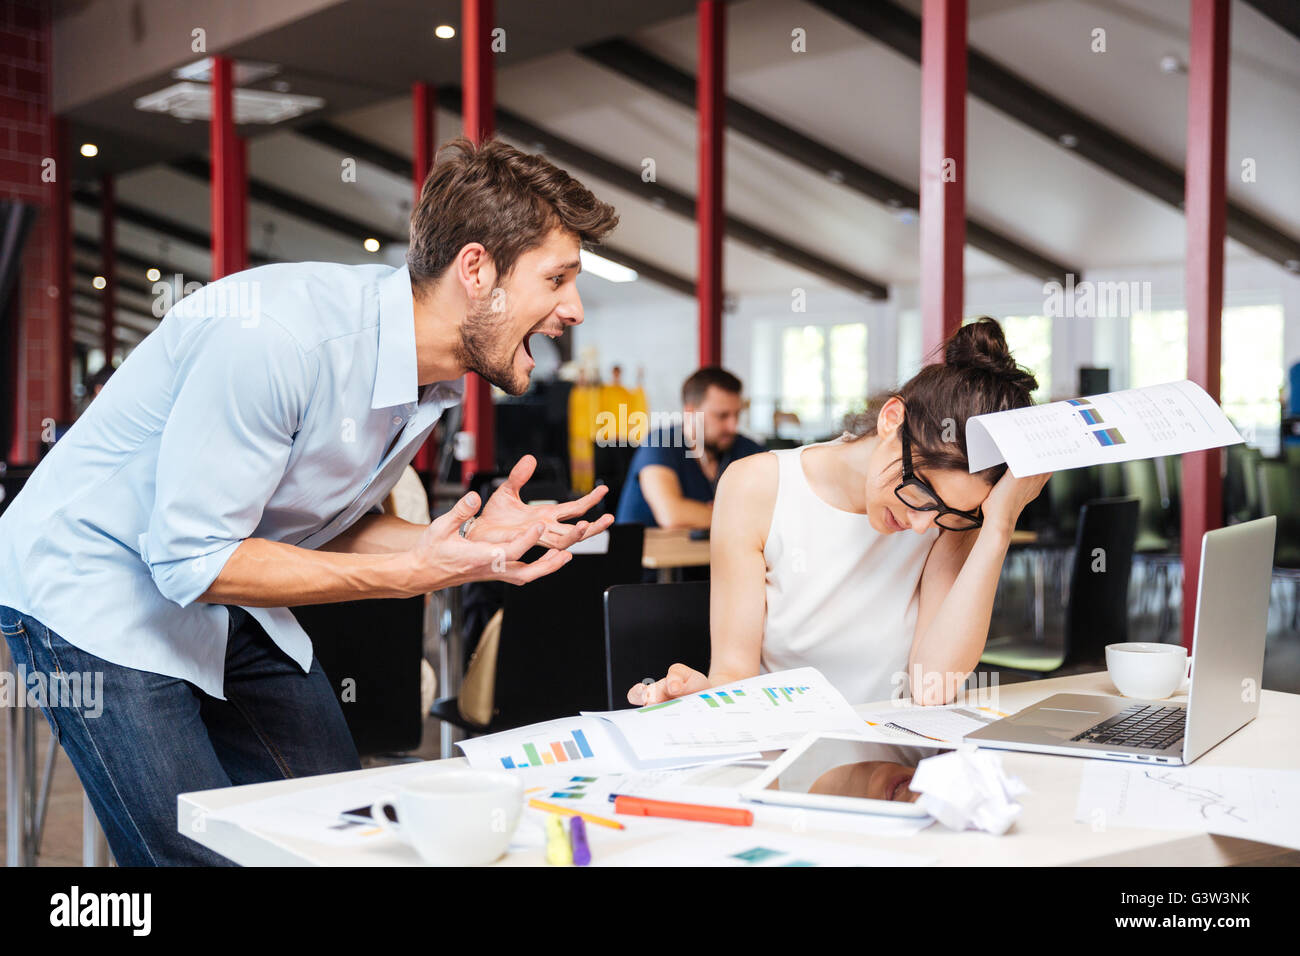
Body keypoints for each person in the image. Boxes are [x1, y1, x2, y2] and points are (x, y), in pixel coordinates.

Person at [0, 136, 620, 866]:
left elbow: (330, 526)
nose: (574, 309)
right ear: (476, 269)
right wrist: (405, 575)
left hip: (218, 579)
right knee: (199, 854)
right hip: (93, 584)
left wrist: (470, 540)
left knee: (336, 831)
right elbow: (188, 560)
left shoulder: (429, 378)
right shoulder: (280, 340)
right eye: (558, 279)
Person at [629, 318, 1050, 709]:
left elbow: (932, 687)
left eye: (947, 513)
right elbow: (734, 675)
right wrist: (698, 697)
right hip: (788, 761)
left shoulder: (951, 520)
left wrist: (997, 525)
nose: (923, 525)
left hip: (894, 770)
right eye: (922, 491)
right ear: (891, 419)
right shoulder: (755, 486)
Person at [615, 366, 764, 529]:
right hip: (650, 553)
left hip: (708, 554)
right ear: (690, 412)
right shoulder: (660, 442)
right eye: (722, 416)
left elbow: (774, 511)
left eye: (737, 414)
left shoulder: (746, 449)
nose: (733, 426)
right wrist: (741, 515)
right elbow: (672, 515)